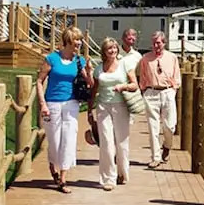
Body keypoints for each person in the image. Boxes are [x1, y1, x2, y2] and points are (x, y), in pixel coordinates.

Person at [37, 26, 86, 193]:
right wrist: (43, 104)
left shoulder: (79, 61)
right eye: (76, 40)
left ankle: (63, 178)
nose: (79, 43)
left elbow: (89, 82)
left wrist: (89, 73)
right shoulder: (52, 59)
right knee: (55, 140)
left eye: (80, 40)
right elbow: (39, 81)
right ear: (68, 41)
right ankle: (53, 167)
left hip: (71, 103)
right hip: (52, 103)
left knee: (69, 139)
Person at [88, 36, 139, 191]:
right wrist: (89, 110)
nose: (113, 50)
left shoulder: (125, 64)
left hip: (121, 106)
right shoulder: (99, 68)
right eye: (109, 48)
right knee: (106, 143)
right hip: (103, 107)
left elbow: (134, 85)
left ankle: (122, 172)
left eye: (115, 47)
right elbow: (94, 90)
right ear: (104, 51)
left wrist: (123, 86)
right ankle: (108, 178)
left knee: (121, 143)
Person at [138, 30, 182, 168]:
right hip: (151, 92)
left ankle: (167, 146)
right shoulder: (145, 58)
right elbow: (142, 76)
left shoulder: (172, 57)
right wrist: (144, 91)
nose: (156, 45)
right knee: (153, 127)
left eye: (158, 43)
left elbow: (177, 77)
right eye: (154, 43)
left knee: (170, 126)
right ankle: (155, 157)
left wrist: (173, 90)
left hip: (168, 91)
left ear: (164, 43)